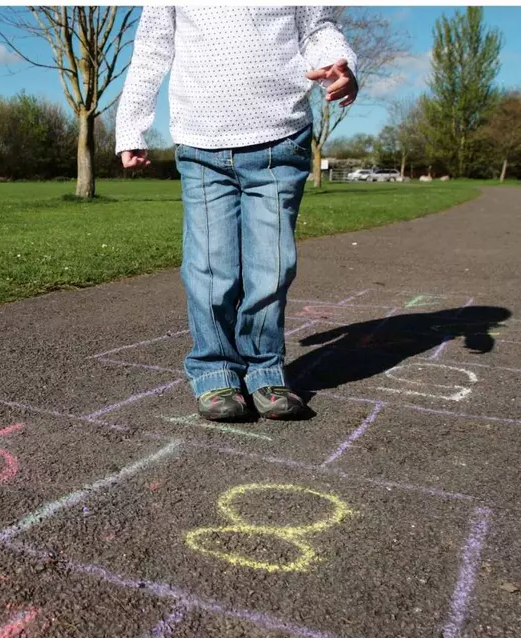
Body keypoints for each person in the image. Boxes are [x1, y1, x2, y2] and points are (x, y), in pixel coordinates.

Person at [115, 7, 358, 421]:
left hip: (280, 138)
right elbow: (153, 47)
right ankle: (215, 372)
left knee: (272, 266)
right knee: (211, 267)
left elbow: (317, 27)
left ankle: (264, 369)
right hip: (202, 140)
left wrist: (340, 64)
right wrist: (131, 125)